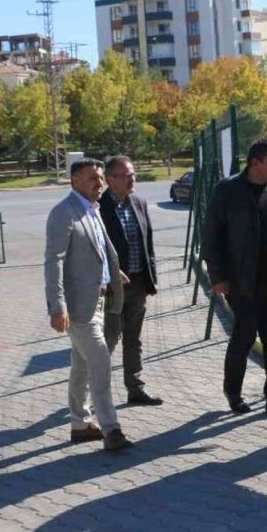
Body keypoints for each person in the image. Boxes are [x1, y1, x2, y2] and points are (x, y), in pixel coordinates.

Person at [202, 138, 267, 417]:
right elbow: (211, 237)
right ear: (254, 163)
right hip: (243, 282)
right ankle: (234, 393)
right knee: (243, 339)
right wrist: (217, 276)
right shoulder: (228, 191)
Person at [44, 158, 134, 451]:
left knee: (81, 365)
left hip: (98, 300)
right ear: (75, 182)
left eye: (100, 178)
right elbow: (53, 262)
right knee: (100, 362)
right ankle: (111, 429)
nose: (99, 184)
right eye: (93, 179)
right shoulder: (63, 213)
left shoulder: (92, 210)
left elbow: (95, 249)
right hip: (77, 307)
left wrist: (112, 271)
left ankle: (80, 425)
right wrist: (57, 307)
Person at [99, 155, 163, 407]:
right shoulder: (98, 207)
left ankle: (135, 388)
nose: (132, 178)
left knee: (134, 338)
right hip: (112, 288)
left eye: (133, 173)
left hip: (138, 284)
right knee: (108, 340)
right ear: (111, 179)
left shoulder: (138, 202)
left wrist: (151, 280)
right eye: (126, 175)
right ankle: (98, 391)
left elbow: (148, 245)